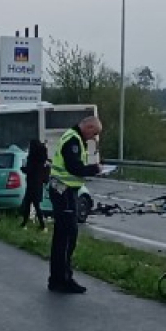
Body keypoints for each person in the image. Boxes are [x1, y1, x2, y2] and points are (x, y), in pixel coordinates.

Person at [47, 115, 107, 294]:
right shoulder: (73, 140)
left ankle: (58, 278)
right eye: (94, 133)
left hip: (64, 190)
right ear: (87, 127)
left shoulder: (73, 137)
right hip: (64, 192)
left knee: (63, 237)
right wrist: (95, 169)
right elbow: (75, 168)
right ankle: (63, 279)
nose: (94, 137)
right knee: (67, 237)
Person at [19, 138, 49, 230]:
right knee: (34, 205)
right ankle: (29, 223)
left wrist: (23, 169)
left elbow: (30, 170)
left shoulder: (33, 158)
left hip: (32, 184)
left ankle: (40, 225)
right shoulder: (41, 158)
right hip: (38, 183)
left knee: (30, 204)